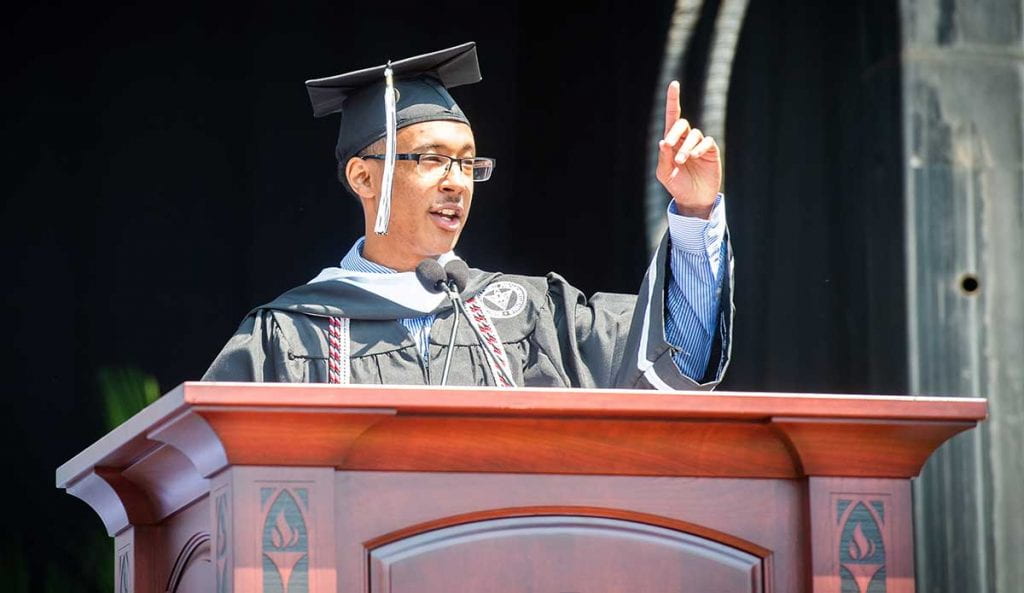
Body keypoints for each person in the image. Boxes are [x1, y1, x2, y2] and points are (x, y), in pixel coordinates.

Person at [203, 42, 733, 389]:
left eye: (467, 163)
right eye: (433, 159)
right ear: (364, 178)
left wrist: (694, 210)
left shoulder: (533, 316)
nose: (456, 180)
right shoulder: (291, 335)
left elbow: (670, 359)